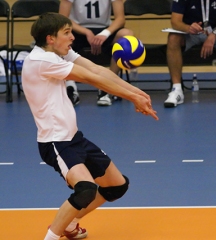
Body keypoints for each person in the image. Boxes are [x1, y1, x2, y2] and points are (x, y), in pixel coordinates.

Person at [21, 12, 158, 240]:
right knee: (86, 189)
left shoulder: (57, 53)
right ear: (50, 38)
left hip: (74, 138)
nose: (72, 37)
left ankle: (71, 225)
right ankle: (51, 237)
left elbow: (97, 70)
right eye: (67, 33)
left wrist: (136, 92)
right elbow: (91, 79)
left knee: (116, 186)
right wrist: (132, 98)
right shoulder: (42, 61)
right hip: (56, 142)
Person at [164, 0, 216, 108]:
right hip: (191, 33)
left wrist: (214, 34)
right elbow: (175, 21)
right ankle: (177, 89)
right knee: (173, 38)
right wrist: (188, 28)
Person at [59, 0, 134, 106]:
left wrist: (105, 33)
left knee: (127, 35)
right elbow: (62, 18)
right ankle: (70, 87)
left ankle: (108, 86)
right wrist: (86, 31)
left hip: (104, 30)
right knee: (58, 35)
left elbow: (120, 19)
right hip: (77, 30)